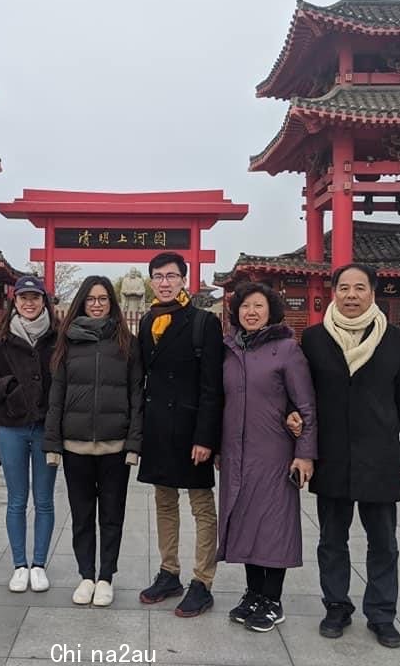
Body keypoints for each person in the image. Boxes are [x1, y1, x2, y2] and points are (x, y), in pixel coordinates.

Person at [301, 263, 400, 649]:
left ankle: (382, 614)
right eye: (344, 288)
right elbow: (301, 396)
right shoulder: (314, 338)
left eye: (360, 288)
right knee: (332, 539)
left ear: (373, 292)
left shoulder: (395, 339)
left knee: (383, 541)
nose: (351, 295)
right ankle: (336, 606)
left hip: (380, 454)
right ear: (333, 291)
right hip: (332, 454)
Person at [218, 282, 317, 633]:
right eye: (245, 307)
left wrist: (305, 454)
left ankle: (272, 600)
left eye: (258, 306)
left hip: (274, 453)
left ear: (271, 311)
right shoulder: (229, 349)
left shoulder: (287, 349)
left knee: (273, 526)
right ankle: (252, 594)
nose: (251, 312)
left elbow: (304, 404)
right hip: (236, 454)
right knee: (244, 522)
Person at [44, 276, 143, 607]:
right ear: (82, 303)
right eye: (91, 299)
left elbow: (135, 395)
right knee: (82, 514)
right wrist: (53, 443)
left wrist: (134, 442)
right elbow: (56, 394)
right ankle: (86, 574)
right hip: (76, 446)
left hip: (115, 446)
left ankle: (106, 576)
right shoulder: (67, 342)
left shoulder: (126, 342)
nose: (97, 303)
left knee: (112, 515)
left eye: (103, 298)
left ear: (112, 302)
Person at [137, 252, 224, 618]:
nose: (165, 282)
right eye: (158, 276)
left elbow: (212, 387)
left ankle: (202, 581)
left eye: (172, 275)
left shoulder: (204, 322)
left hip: (191, 430)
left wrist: (206, 437)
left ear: (184, 279)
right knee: (164, 501)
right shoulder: (146, 321)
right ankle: (169, 572)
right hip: (158, 427)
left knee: (201, 505)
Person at [0, 275, 58, 593]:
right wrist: (10, 388)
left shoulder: (57, 338)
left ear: (44, 301)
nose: (29, 302)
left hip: (45, 429)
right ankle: (18, 564)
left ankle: (39, 564)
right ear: (15, 301)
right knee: (15, 499)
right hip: (11, 428)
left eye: (35, 297)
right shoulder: (0, 341)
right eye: (23, 297)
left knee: (44, 500)